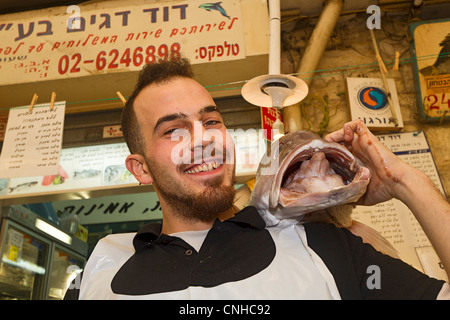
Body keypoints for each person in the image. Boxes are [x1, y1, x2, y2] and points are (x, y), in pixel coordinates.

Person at [64, 57, 450, 300]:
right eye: (174, 131)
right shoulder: (103, 267)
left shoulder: (323, 246)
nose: (204, 140)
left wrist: (404, 182)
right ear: (141, 168)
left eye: (211, 121)